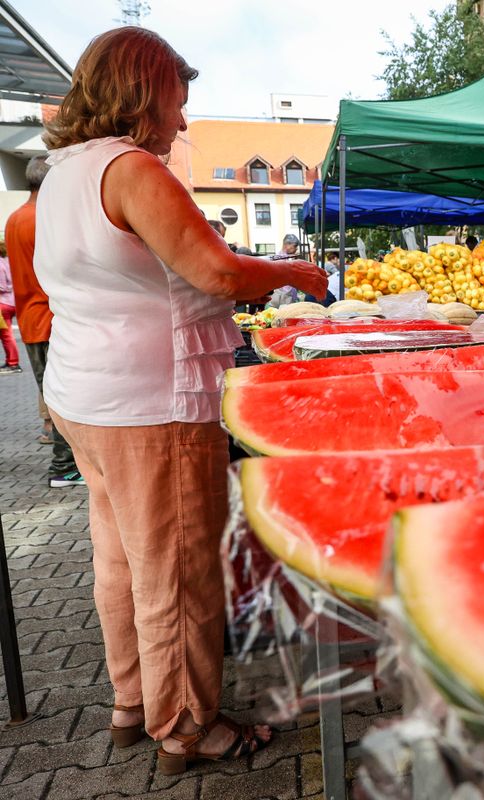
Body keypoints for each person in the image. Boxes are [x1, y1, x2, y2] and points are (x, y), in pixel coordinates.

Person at [34, 26, 326, 774]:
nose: (184, 121)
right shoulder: (132, 168)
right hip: (151, 404)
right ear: (144, 91)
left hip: (84, 395)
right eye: (178, 100)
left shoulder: (63, 170)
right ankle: (188, 726)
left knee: (120, 558)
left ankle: (132, 703)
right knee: (178, 567)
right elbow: (217, 273)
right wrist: (292, 271)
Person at [5, 154, 84, 486]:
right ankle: (63, 467)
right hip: (52, 319)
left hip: (31, 318)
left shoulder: (14, 218)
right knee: (64, 398)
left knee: (54, 395)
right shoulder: (44, 219)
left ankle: (66, 465)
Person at [0, 242, 19, 374]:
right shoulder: (8, 262)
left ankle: (12, 362)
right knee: (7, 334)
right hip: (12, 302)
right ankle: (11, 361)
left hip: (3, 303)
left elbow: (2, 287)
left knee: (6, 335)